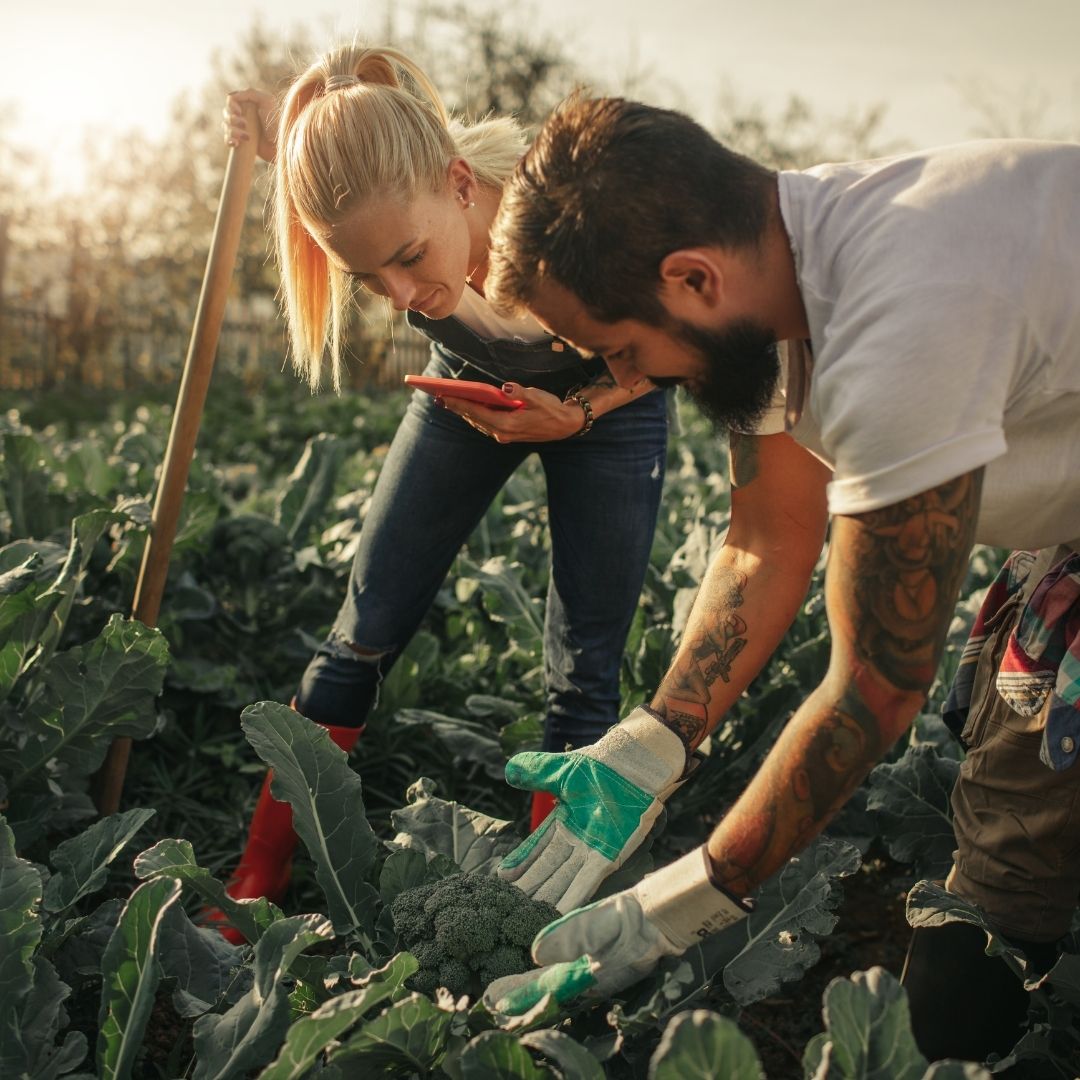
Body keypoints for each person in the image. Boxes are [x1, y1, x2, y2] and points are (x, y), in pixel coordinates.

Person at [480, 93, 1080, 1065]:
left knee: (987, 931)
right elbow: (768, 535)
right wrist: (656, 739)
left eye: (626, 352)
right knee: (999, 894)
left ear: (691, 278)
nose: (634, 378)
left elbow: (876, 691)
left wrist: (673, 907)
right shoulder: (782, 277)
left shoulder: (901, 320)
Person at [212, 53, 670, 940]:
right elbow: (341, 160)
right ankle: (258, 871)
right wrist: (275, 133)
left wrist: (575, 413)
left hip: (608, 406)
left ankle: (543, 910)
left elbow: (669, 345)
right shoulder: (390, 199)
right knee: (362, 630)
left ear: (462, 185)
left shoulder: (584, 222)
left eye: (410, 260)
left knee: (585, 670)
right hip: (468, 386)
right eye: (367, 279)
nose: (400, 296)